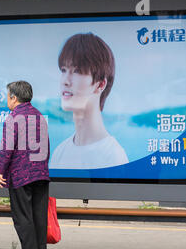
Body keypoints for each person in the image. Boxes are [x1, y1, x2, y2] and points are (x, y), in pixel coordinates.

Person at [49, 33, 128, 169]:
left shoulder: (114, 157)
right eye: (64, 70)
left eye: (77, 71)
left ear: (100, 85)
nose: (65, 81)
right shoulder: (59, 153)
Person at [0, 80, 51, 249]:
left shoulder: (13, 117)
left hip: (21, 174)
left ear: (14, 97)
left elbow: (7, 149)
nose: (7, 100)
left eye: (7, 96)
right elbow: (47, 146)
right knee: (39, 213)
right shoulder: (39, 115)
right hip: (41, 173)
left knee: (22, 214)